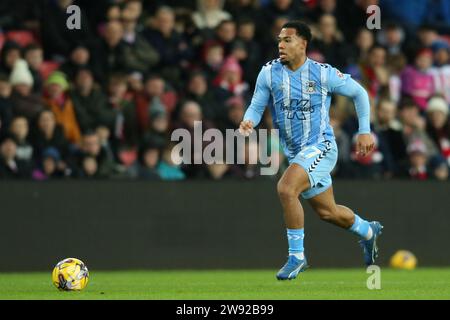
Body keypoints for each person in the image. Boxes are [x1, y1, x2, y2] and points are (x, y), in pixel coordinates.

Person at [239, 21, 383, 280]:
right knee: (328, 212)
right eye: (279, 40)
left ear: (303, 44)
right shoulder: (269, 73)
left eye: (288, 40)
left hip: (321, 147)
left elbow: (360, 93)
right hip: (297, 154)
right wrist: (249, 120)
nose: (281, 45)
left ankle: (297, 257)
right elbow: (256, 105)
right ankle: (368, 231)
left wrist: (364, 130)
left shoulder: (322, 73)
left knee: (286, 188)